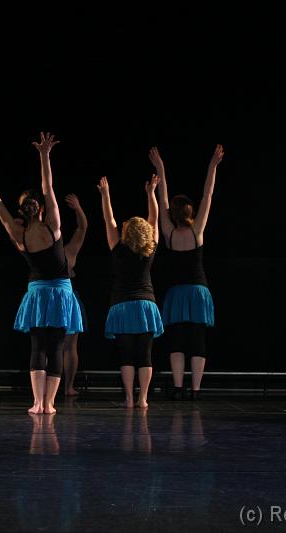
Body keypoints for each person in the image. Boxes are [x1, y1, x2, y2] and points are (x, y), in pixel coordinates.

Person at [0, 132, 82, 414]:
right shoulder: (52, 226)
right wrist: (44, 156)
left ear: (22, 211)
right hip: (61, 291)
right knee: (56, 347)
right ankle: (49, 404)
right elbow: (48, 188)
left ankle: (37, 403)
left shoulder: (18, 233)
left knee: (38, 347)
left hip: (37, 293)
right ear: (40, 209)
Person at [149, 145, 223, 400]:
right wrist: (212, 166)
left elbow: (162, 202)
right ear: (190, 212)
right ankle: (195, 390)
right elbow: (207, 196)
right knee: (197, 339)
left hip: (178, 293)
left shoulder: (169, 233)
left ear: (174, 214)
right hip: (197, 291)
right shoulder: (196, 231)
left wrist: (160, 168)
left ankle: (179, 387)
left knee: (177, 339)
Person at [97, 173, 163, 408]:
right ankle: (142, 398)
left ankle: (128, 398)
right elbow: (154, 218)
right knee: (144, 355)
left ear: (126, 232)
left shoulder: (117, 247)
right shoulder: (150, 249)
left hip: (122, 305)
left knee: (126, 355)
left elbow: (109, 219)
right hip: (145, 305)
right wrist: (151, 193)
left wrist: (105, 194)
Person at [62, 193, 87, 396]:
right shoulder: (39, 248)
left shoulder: (68, 251)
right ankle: (55, 386)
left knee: (69, 346)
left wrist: (78, 209)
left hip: (68, 299)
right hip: (51, 297)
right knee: (50, 346)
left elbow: (82, 228)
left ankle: (68, 386)